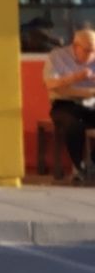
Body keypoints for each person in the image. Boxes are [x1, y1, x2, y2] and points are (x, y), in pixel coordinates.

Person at [43, 26, 95, 182]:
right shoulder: (57, 57)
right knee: (73, 125)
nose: (91, 55)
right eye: (87, 50)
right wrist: (75, 78)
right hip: (65, 104)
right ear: (75, 46)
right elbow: (51, 84)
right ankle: (78, 167)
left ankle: (92, 163)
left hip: (92, 104)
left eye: (94, 51)